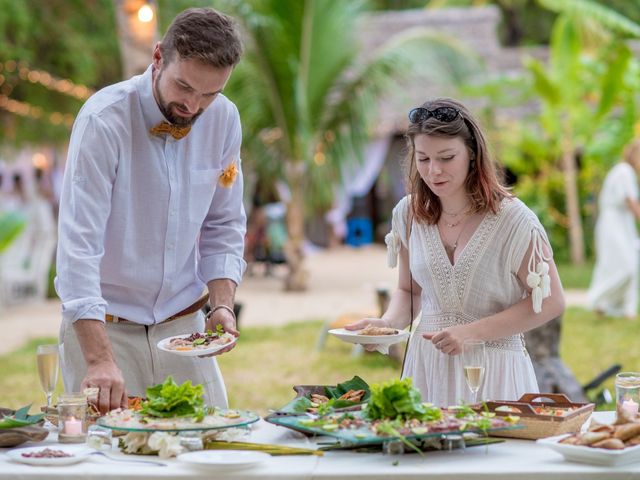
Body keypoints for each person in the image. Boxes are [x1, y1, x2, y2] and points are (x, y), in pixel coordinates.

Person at [55, 7, 246, 413]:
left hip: (185, 326)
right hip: (105, 329)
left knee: (207, 449)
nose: (193, 106)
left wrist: (223, 303)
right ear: (158, 57)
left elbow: (224, 222)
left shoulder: (225, 119)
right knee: (107, 463)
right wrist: (98, 358)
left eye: (209, 94)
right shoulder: (103, 121)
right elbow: (78, 247)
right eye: (184, 87)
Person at [347, 97, 565, 406]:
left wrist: (471, 333)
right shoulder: (408, 214)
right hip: (427, 369)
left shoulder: (514, 219)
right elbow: (409, 291)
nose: (434, 170)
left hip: (495, 371)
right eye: (423, 159)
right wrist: (387, 325)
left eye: (446, 157)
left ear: (472, 155)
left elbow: (551, 301)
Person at [587, 139, 640, 319]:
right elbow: (631, 202)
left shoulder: (623, 171)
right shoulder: (624, 171)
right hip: (614, 224)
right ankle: (599, 298)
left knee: (619, 263)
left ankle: (621, 308)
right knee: (626, 265)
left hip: (620, 223)